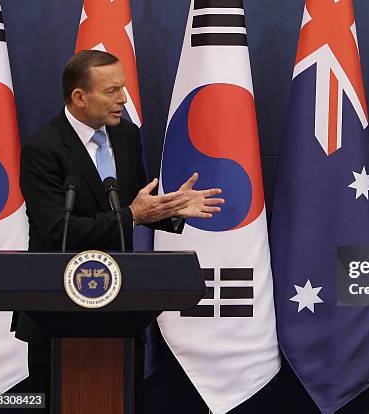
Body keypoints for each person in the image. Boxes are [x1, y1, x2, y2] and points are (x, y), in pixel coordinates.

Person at [15, 50, 224, 412]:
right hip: (58, 310)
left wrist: (170, 209)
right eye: (112, 91)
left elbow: (132, 205)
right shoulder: (43, 149)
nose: (124, 99)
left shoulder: (126, 135)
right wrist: (133, 215)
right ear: (79, 97)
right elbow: (58, 230)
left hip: (120, 307)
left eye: (123, 88)